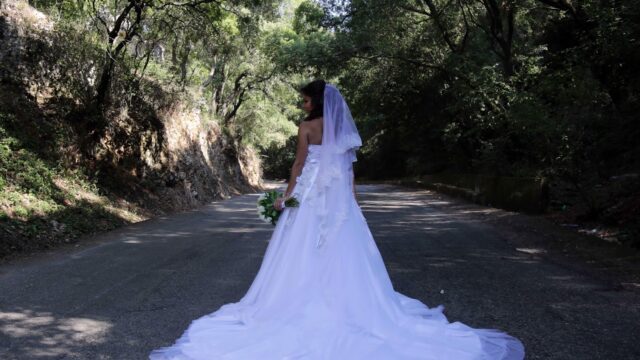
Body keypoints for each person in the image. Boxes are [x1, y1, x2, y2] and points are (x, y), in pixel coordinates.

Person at [149, 80, 525, 359]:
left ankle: (293, 303)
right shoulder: (344, 132)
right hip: (339, 201)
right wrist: (352, 202)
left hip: (311, 196)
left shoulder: (307, 128)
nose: (303, 102)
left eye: (306, 98)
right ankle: (352, 304)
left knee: (300, 250)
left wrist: (287, 195)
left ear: (317, 102)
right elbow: (348, 173)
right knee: (347, 252)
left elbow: (298, 164)